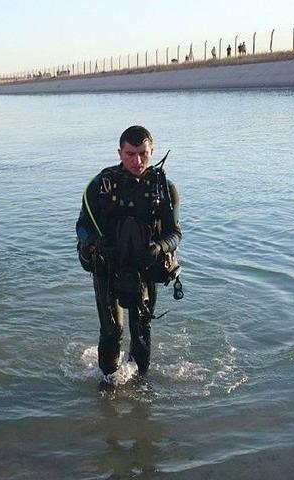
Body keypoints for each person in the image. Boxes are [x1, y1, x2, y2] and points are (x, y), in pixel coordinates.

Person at [76, 125, 181, 388]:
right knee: (112, 331)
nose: (137, 161)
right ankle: (108, 385)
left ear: (152, 151)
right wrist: (95, 243)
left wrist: (159, 248)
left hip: (146, 265)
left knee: (142, 329)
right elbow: (81, 226)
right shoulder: (100, 185)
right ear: (120, 153)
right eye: (130, 154)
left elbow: (175, 233)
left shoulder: (165, 189)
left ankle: (139, 386)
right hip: (108, 266)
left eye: (143, 154)